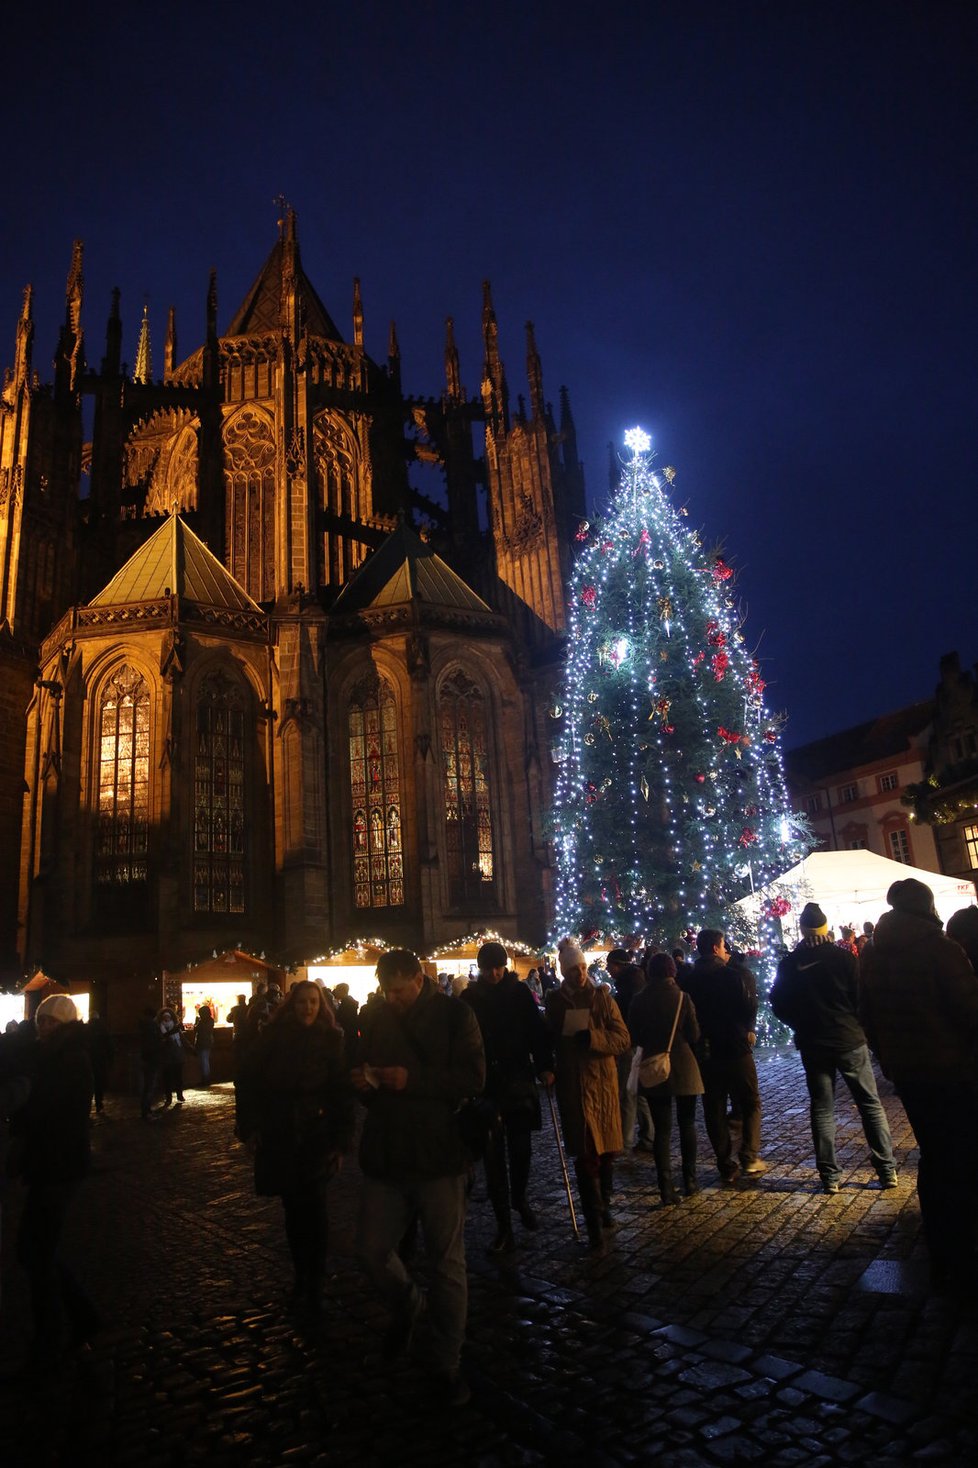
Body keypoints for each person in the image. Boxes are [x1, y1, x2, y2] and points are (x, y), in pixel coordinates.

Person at [353, 949, 485, 1407]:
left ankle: (446, 1364)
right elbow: (366, 1066)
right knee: (371, 1249)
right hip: (387, 1153)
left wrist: (412, 1080)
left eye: (398, 991)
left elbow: (472, 1079)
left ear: (418, 978)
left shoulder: (455, 1013)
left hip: (439, 1154)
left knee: (446, 1263)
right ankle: (408, 1302)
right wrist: (365, 1083)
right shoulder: (378, 1014)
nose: (392, 999)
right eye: (386, 991)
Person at [861, 879, 978, 1292]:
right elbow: (970, 1010)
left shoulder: (872, 954)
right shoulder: (940, 949)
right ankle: (964, 1247)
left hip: (908, 1073)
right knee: (961, 1155)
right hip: (953, 1070)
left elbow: (867, 1016)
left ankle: (940, 1238)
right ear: (926, 906)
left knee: (933, 1153)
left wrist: (889, 1057)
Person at [236, 980, 354, 1321]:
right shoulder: (272, 1038)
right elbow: (248, 1079)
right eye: (302, 1002)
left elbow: (340, 1092)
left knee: (315, 1210)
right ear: (292, 1005)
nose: (308, 1008)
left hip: (315, 1135)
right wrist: (252, 1125)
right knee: (292, 1209)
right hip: (281, 1134)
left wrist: (340, 1140)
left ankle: (314, 1281)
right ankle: (301, 1275)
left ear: (322, 1005)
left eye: (314, 1002)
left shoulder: (332, 1040)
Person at [770, 902, 897, 1194]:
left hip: (814, 1042)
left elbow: (778, 1003)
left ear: (802, 930)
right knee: (870, 1104)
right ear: (826, 928)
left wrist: (798, 1024)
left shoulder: (790, 964)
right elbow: (862, 997)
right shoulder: (844, 959)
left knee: (822, 1109)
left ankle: (830, 1176)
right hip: (848, 1038)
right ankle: (887, 1169)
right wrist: (855, 1022)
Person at [8, 994, 99, 1360]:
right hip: (50, 1164)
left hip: (59, 1165)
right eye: (42, 1021)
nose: (44, 1027)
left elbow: (51, 1111)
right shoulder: (48, 1055)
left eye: (52, 1022)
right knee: (36, 1250)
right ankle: (80, 1319)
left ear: (66, 1025)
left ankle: (53, 1334)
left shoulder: (70, 1059)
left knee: (36, 1251)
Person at [460, 941, 554, 1253]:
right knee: (493, 1158)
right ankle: (503, 1226)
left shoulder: (519, 993)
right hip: (485, 1084)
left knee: (521, 1148)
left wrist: (544, 1066)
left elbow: (536, 1033)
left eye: (499, 967)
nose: (494, 974)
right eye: (489, 968)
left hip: (517, 1079)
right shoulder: (470, 998)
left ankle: (520, 1197)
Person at [545, 943, 630, 1252]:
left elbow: (622, 1037)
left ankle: (603, 1203)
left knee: (607, 1153)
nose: (579, 974)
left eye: (582, 968)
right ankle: (593, 1222)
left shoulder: (602, 999)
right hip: (574, 1085)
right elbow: (548, 1039)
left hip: (602, 1083)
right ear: (564, 972)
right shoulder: (556, 1002)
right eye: (572, 970)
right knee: (585, 1157)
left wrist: (593, 1038)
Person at [682, 930, 764, 1184]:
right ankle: (749, 1155)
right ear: (718, 947)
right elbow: (747, 1007)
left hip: (706, 1051)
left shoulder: (688, 979)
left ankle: (725, 1163)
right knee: (750, 1101)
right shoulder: (731, 975)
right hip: (735, 1047)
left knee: (714, 1108)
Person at [629, 953, 703, 1203]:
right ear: (672, 971)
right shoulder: (683, 997)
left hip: (653, 1066)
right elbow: (694, 1034)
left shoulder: (639, 1000)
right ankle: (691, 1180)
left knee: (662, 1130)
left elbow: (634, 1036)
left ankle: (666, 1186)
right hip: (683, 1065)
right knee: (688, 1123)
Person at [605, 947, 653, 1157]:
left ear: (617, 965)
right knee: (637, 1091)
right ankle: (649, 1135)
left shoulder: (628, 986)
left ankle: (625, 1141)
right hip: (638, 1042)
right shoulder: (635, 981)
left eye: (609, 966)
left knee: (627, 1092)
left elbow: (625, 1016)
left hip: (629, 1044)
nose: (608, 970)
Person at [86, 1013, 115, 1114]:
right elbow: (110, 1045)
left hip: (88, 1060)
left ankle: (87, 1107)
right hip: (100, 1060)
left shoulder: (86, 1029)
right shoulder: (103, 1028)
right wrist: (110, 1059)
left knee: (88, 1084)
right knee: (99, 1083)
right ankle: (99, 1104)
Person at [157, 1007, 186, 1106]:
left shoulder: (175, 1027)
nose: (166, 1019)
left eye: (168, 1017)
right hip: (167, 1056)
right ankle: (169, 1098)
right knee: (168, 1078)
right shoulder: (161, 1027)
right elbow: (163, 1038)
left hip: (177, 1054)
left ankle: (179, 1095)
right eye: (165, 1017)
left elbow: (182, 1039)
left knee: (178, 1077)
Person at [137, 1005, 162, 1118]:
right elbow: (155, 1043)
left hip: (144, 1058)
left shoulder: (142, 1026)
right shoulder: (152, 1027)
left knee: (147, 1085)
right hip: (152, 1059)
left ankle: (146, 1110)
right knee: (150, 1086)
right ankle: (146, 1111)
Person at [332, 982, 360, 1063]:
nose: (335, 992)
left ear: (342, 991)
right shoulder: (349, 1002)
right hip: (351, 1035)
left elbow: (343, 1019)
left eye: (337, 990)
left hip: (348, 1036)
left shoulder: (346, 1004)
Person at [193, 1003, 215, 1087]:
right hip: (207, 1042)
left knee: (204, 1061)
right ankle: (206, 1079)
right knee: (205, 1061)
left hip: (202, 1042)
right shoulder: (210, 1020)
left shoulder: (202, 1022)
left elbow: (197, 1030)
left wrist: (196, 1023)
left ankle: (205, 1079)